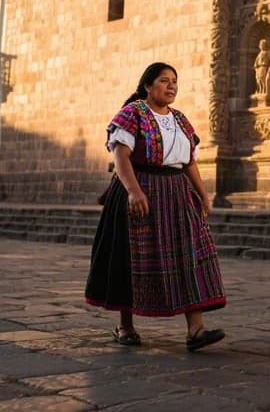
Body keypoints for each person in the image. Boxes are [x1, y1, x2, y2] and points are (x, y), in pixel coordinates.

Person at [84, 62, 227, 352]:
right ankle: (125, 326)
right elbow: (121, 157)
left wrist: (203, 195)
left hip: (177, 193)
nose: (172, 86)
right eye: (164, 81)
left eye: (175, 81)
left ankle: (196, 330)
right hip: (141, 192)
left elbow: (189, 162)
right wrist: (134, 192)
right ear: (148, 86)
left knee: (189, 255)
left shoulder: (181, 120)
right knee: (133, 257)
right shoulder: (132, 114)